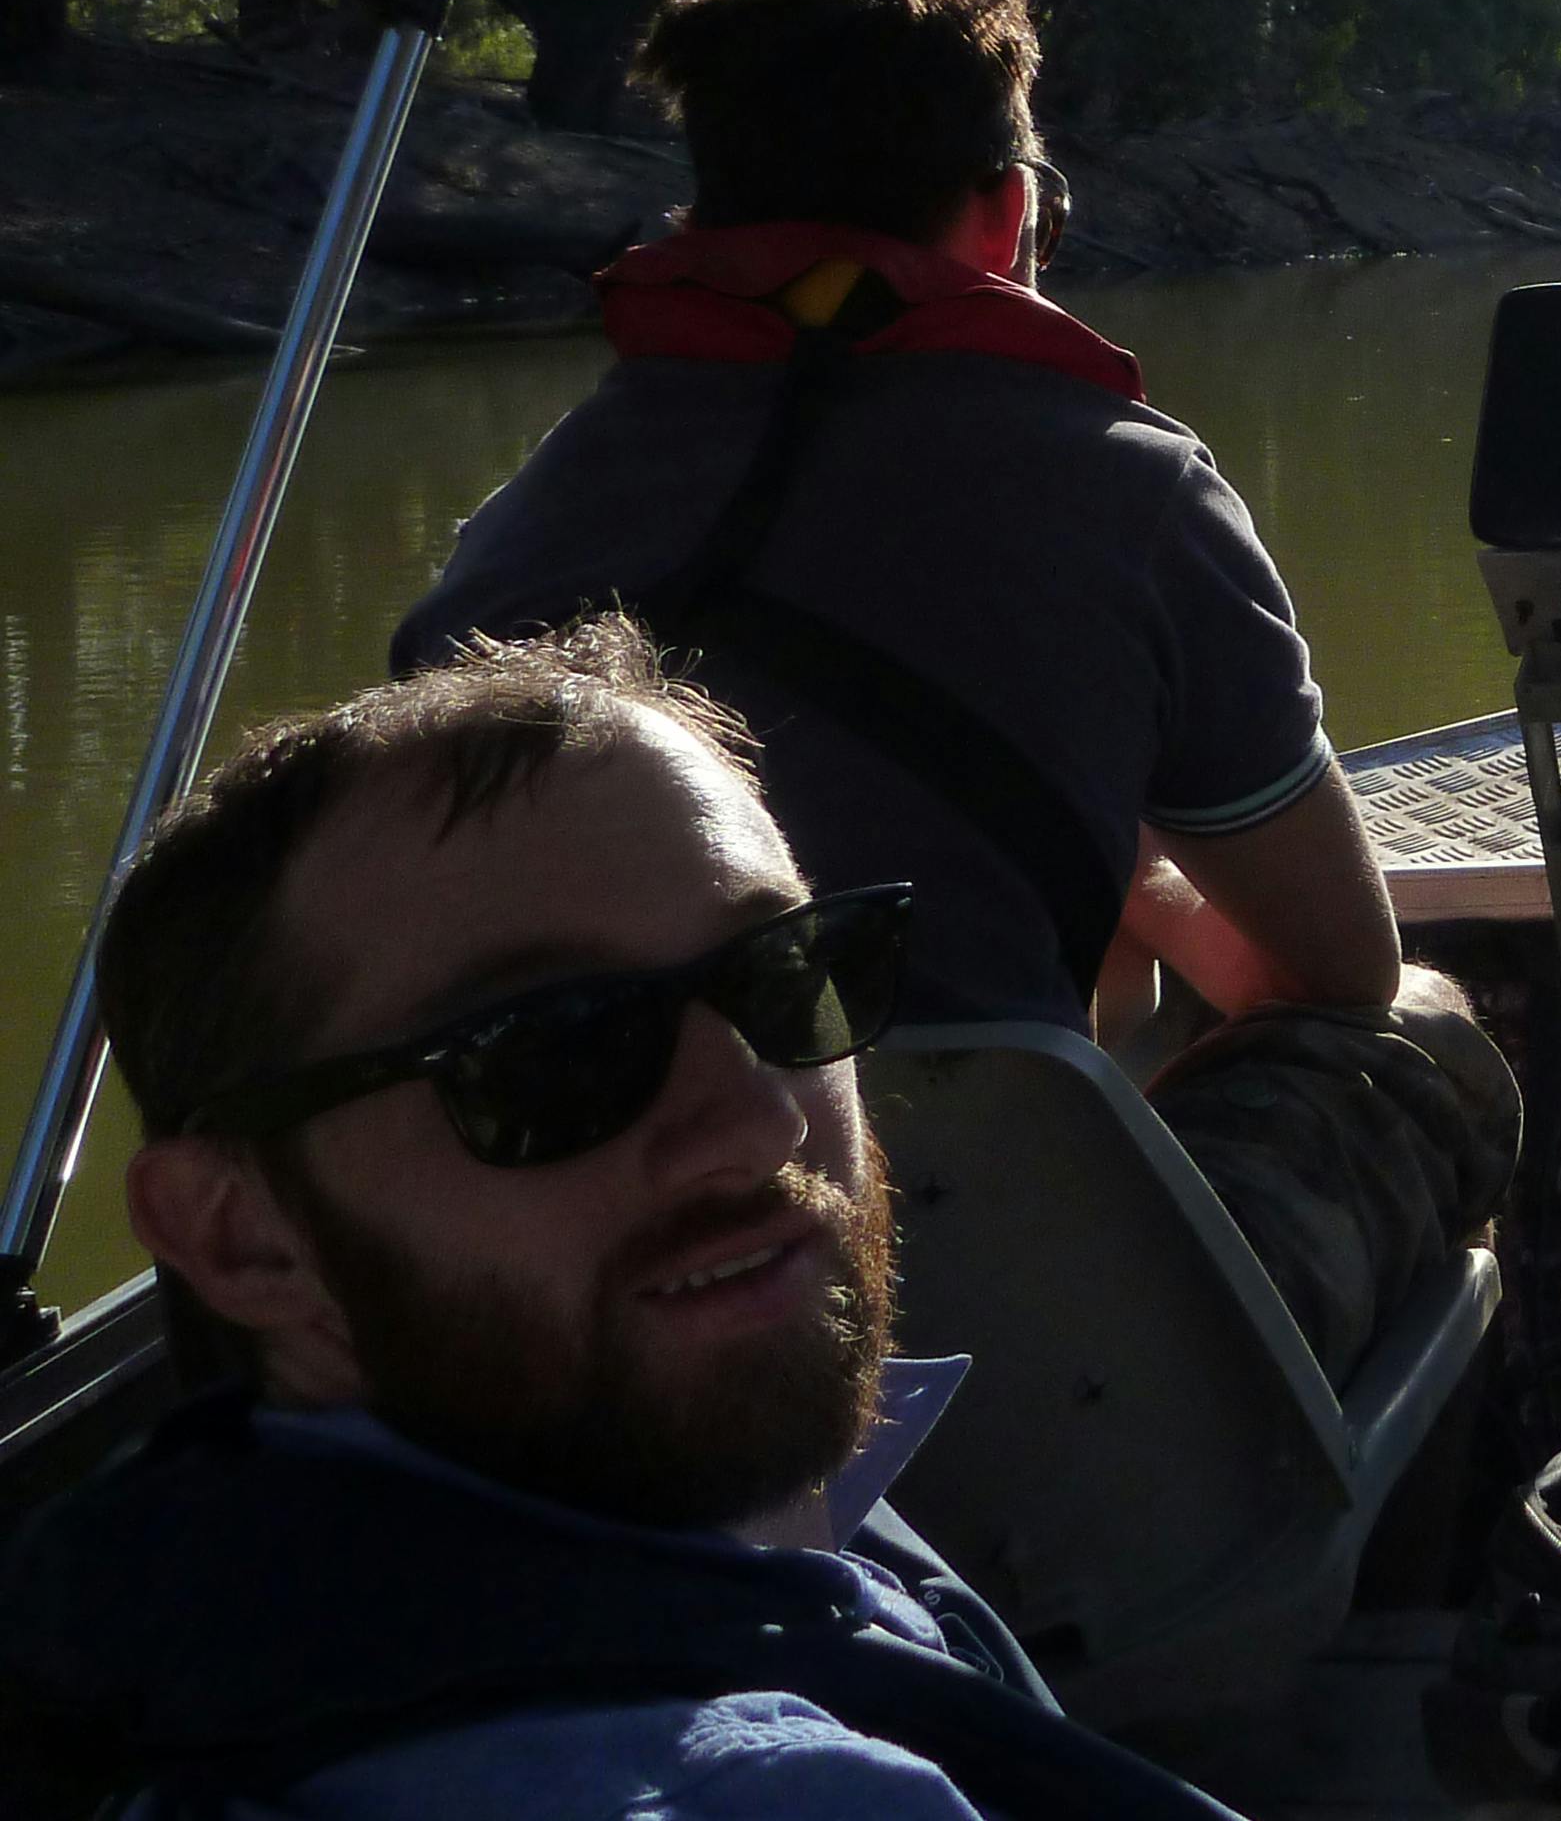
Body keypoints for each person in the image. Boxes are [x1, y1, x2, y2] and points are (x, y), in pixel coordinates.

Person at [394, 0, 1507, 1377]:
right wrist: (1154, 891)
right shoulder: (1136, 493)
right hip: (998, 1355)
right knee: (1417, 1033)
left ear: (704, 217)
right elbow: (1336, 967)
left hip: (574, 1350)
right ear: (1005, 212)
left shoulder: (512, 541)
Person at [0, 623, 1231, 1819]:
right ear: (241, 1236)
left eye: (788, 974)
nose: (758, 1126)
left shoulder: (185, 1577)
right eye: (553, 1053)